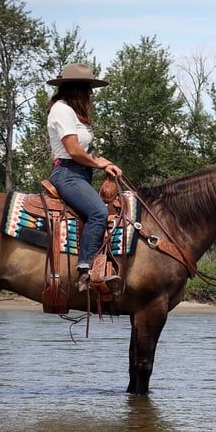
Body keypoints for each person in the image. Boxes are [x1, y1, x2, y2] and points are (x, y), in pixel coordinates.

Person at [47, 62, 123, 292]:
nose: (91, 93)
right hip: (67, 174)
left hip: (79, 173)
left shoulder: (71, 113)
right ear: (78, 88)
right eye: (89, 87)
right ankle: (85, 270)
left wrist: (101, 162)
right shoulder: (62, 109)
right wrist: (100, 164)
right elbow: (73, 150)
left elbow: (81, 151)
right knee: (99, 212)